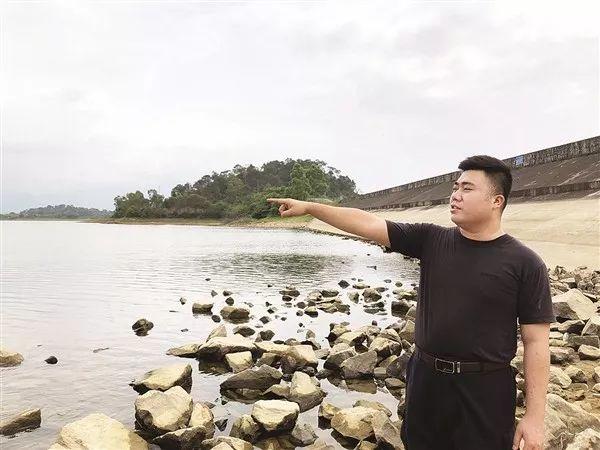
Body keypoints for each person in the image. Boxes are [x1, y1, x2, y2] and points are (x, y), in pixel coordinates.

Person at [267, 155, 555, 450]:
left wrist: (534, 418)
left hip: (485, 390)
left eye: (467, 189)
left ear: (497, 201)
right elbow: (367, 223)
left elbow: (536, 342)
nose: (455, 195)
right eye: (455, 188)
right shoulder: (431, 240)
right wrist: (310, 208)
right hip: (426, 383)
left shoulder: (525, 263)